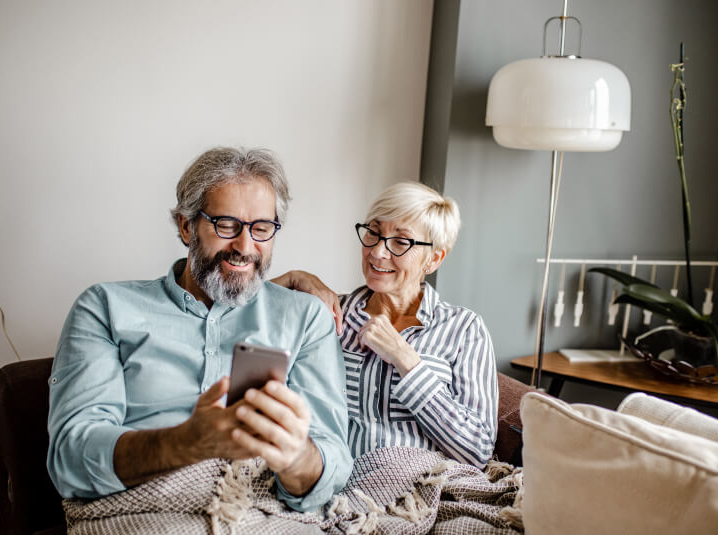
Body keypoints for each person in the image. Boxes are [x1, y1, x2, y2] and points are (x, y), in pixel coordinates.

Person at [47, 147, 352, 512]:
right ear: (185, 225)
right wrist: (186, 443)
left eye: (262, 228)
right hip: (143, 511)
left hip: (260, 510)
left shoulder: (304, 318)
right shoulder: (105, 307)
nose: (245, 246)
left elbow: (333, 464)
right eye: (226, 224)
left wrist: (295, 457)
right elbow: (71, 458)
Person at [276, 182, 498, 468]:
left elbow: (477, 450)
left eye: (400, 242)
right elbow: (233, 324)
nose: (378, 252)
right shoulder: (329, 313)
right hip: (335, 484)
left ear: (433, 259)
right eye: (374, 232)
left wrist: (406, 360)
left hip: (419, 490)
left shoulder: (464, 330)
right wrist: (292, 279)